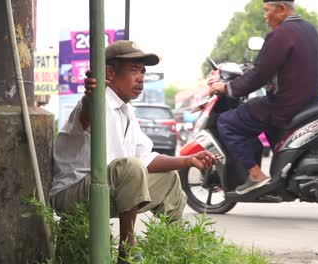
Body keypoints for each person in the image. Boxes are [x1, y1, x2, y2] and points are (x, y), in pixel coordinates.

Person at [49, 40, 216, 263]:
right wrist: (91, 94)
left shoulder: (127, 110)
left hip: (108, 189)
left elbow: (147, 158)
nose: (141, 78)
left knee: (168, 179)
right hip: (73, 194)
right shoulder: (97, 101)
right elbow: (88, 113)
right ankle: (127, 250)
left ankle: (178, 249)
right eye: (134, 70)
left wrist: (188, 160)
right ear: (109, 72)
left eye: (143, 72)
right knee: (130, 167)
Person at [209, 0, 318, 194]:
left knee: (227, 122)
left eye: (266, 10)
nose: (264, 16)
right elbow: (289, 67)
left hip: (285, 104)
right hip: (309, 101)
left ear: (281, 9)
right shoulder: (309, 29)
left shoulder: (280, 34)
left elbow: (259, 74)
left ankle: (255, 175)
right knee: (254, 111)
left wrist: (227, 87)